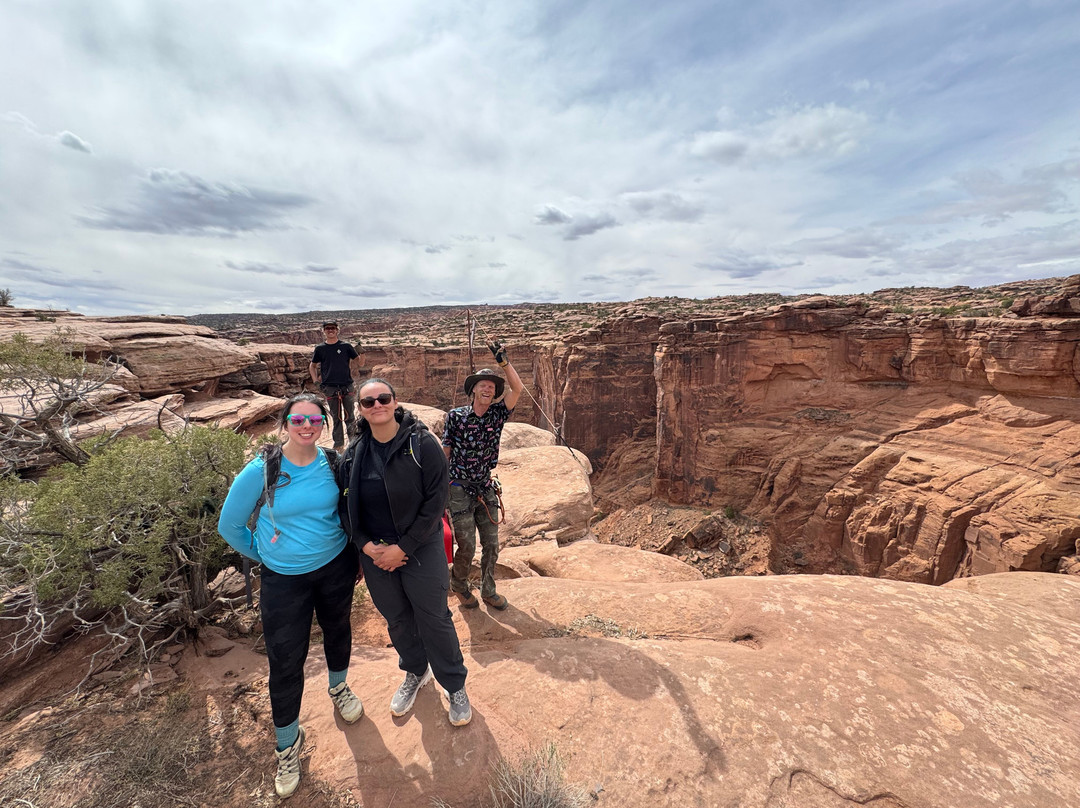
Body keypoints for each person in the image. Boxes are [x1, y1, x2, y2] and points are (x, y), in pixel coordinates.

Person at [217, 393, 362, 800]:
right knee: (285, 660)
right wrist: (265, 555)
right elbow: (229, 526)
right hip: (284, 581)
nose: (306, 426)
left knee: (337, 631)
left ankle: (338, 687)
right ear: (285, 424)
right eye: (298, 419)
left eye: (315, 420)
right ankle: (286, 745)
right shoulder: (262, 469)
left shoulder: (332, 464)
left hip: (335, 566)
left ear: (323, 424)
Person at [343, 378, 472, 726]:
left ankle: (455, 685)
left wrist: (405, 547)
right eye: (368, 402)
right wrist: (366, 546)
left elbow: (436, 501)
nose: (377, 405)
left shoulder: (421, 443)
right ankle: (416, 671)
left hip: (420, 544)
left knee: (434, 617)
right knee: (398, 618)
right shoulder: (355, 453)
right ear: (360, 409)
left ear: (395, 401)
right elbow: (346, 507)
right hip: (376, 552)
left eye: (383, 398)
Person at [443, 341, 523, 610]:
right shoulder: (456, 416)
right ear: (473, 390)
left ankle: (489, 590)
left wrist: (504, 362)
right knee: (466, 545)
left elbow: (518, 389)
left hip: (485, 487)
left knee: (491, 544)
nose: (488, 388)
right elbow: (446, 450)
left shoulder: (498, 414)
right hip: (458, 488)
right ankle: (460, 585)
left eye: (492, 385)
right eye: (483, 384)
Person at [309, 321, 359, 452]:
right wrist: (316, 381)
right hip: (330, 388)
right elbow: (312, 365)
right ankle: (338, 446)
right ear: (323, 331)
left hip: (346, 386)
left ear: (337, 330)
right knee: (336, 418)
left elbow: (358, 361)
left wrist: (361, 353)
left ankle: (354, 444)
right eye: (327, 328)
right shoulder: (320, 349)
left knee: (350, 417)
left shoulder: (346, 346)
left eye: (332, 328)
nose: (330, 330)